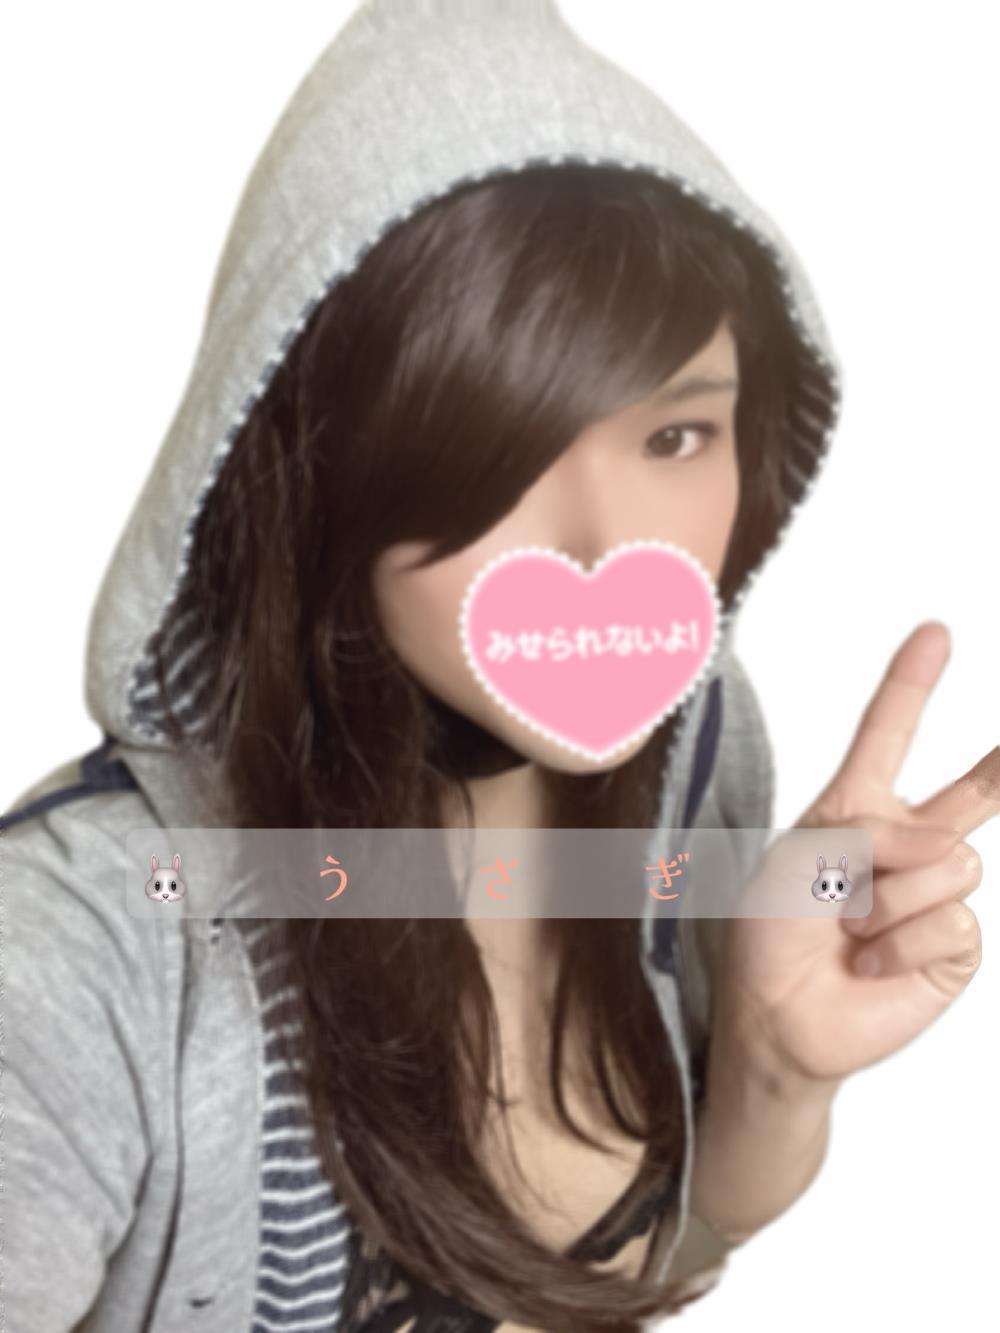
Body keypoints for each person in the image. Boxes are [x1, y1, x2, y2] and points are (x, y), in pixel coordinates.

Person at [2, 2, 991, 1330]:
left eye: (676, 439)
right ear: (318, 466)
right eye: (503, 453)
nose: (608, 549)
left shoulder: (692, 755)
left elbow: (629, 1269)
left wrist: (772, 1069)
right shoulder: (82, 941)